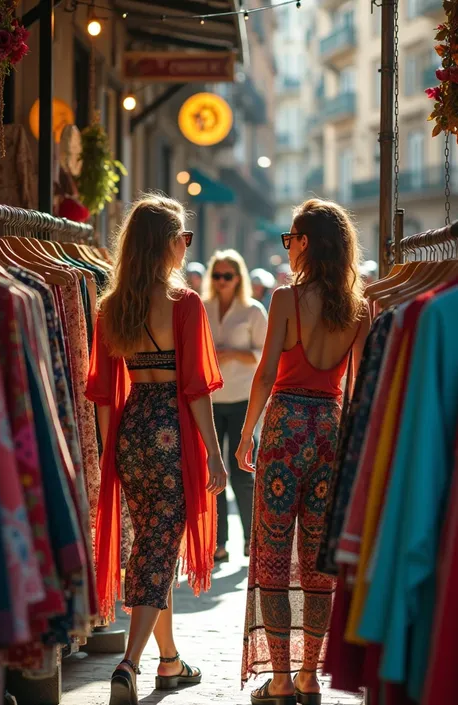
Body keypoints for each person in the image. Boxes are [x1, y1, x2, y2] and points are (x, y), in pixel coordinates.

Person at [85, 195, 227, 705]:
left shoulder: (111, 306)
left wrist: (110, 453)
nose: (185, 247)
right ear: (166, 243)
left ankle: (170, 661)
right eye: (182, 238)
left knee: (152, 545)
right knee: (158, 548)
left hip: (131, 430)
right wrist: (212, 451)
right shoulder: (183, 303)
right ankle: (130, 663)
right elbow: (195, 388)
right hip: (172, 429)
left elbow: (103, 392)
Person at [236, 199, 370, 705]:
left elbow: (267, 373)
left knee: (271, 554)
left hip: (286, 427)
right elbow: (357, 386)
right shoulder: (356, 307)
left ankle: (280, 679)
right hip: (330, 431)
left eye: (291, 239)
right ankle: (312, 675)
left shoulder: (286, 300)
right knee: (318, 559)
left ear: (307, 242)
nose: (288, 249)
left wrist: (248, 431)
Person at [203, 250, 268, 562]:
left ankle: (250, 540)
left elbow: (264, 355)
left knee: (242, 470)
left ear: (238, 277)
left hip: (242, 396)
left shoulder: (253, 310)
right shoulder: (203, 308)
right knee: (215, 471)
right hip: (211, 399)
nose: (221, 282)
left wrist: (231, 353)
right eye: (217, 276)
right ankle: (219, 542)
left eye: (227, 276)